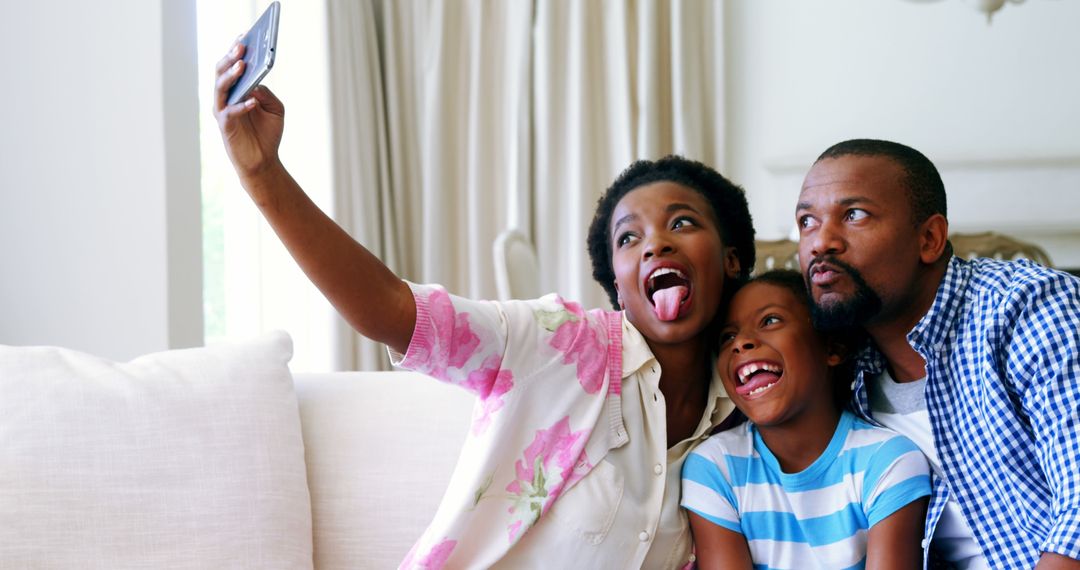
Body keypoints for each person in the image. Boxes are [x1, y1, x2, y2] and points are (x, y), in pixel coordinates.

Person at [213, 40, 758, 568]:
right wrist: (263, 174)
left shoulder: (741, 418)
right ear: (616, 286)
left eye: (682, 223)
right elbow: (390, 310)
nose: (655, 244)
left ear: (732, 259)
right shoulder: (559, 343)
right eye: (628, 239)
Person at [795, 138, 1080, 569]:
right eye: (807, 221)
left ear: (929, 238)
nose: (821, 242)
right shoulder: (834, 363)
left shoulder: (1027, 307)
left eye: (854, 215)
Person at [681, 270, 931, 569]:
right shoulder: (714, 467)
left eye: (770, 320)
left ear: (832, 348)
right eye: (727, 337)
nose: (741, 343)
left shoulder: (889, 460)